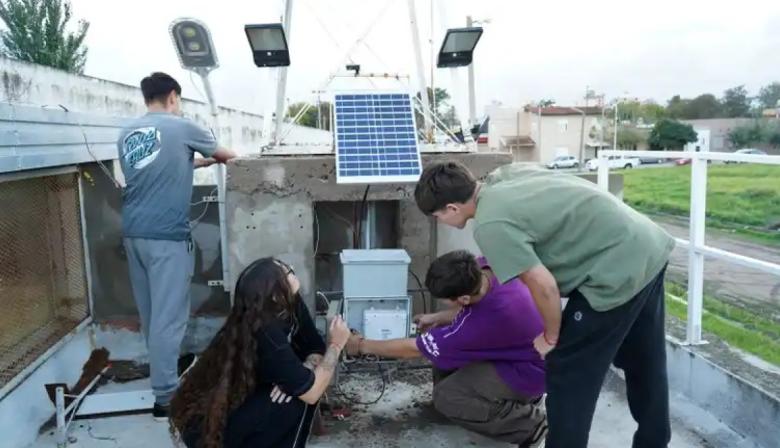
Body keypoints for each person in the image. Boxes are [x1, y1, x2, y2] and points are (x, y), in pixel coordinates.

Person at [414, 162, 675, 448]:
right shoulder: (506, 175)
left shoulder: (490, 225)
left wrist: (551, 336)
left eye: (438, 215)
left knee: (567, 372)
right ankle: (654, 441)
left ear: (452, 208)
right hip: (645, 244)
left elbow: (543, 285)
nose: (440, 220)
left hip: (613, 271)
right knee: (644, 359)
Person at [117, 72, 237, 419]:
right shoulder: (181, 126)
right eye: (179, 100)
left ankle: (163, 373)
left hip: (134, 235)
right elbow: (229, 155)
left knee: (152, 314)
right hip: (167, 238)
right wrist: (218, 156)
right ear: (173, 96)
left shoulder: (128, 134)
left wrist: (201, 161)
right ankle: (166, 397)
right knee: (169, 320)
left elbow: (161, 166)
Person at [345, 250, 547, 448]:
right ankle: (463, 410)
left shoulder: (478, 326)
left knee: (447, 395)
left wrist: (362, 345)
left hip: (531, 371)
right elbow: (472, 315)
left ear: (464, 299)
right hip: (523, 348)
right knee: (444, 348)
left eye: (445, 299)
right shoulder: (488, 266)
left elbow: (413, 349)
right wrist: (436, 318)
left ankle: (531, 425)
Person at [169, 258, 351, 448]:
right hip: (214, 427)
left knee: (298, 387)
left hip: (244, 401)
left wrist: (305, 367)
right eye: (287, 271)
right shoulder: (266, 331)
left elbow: (313, 346)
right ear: (274, 294)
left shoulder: (288, 303)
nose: (292, 269)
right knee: (297, 400)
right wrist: (336, 345)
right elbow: (312, 393)